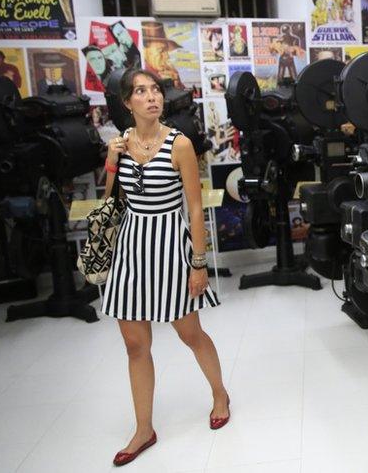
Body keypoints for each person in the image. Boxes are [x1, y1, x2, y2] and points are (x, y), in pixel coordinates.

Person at [102, 69, 229, 467]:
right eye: (141, 91)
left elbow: (194, 206)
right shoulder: (121, 144)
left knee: (190, 333)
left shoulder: (180, 144)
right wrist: (110, 159)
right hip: (130, 247)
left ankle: (220, 393)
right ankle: (144, 429)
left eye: (155, 90)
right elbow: (109, 200)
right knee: (135, 345)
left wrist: (198, 262)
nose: (152, 97)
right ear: (128, 103)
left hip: (171, 246)